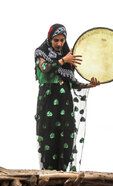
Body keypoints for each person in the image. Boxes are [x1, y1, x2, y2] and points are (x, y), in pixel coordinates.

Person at [34, 24, 100, 171]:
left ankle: (63, 172)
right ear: (50, 38)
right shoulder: (41, 52)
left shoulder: (68, 56)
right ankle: (49, 173)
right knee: (48, 138)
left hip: (65, 103)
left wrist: (89, 85)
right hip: (48, 102)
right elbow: (45, 69)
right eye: (56, 40)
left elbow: (72, 82)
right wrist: (63, 60)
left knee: (67, 134)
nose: (59, 44)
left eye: (62, 40)